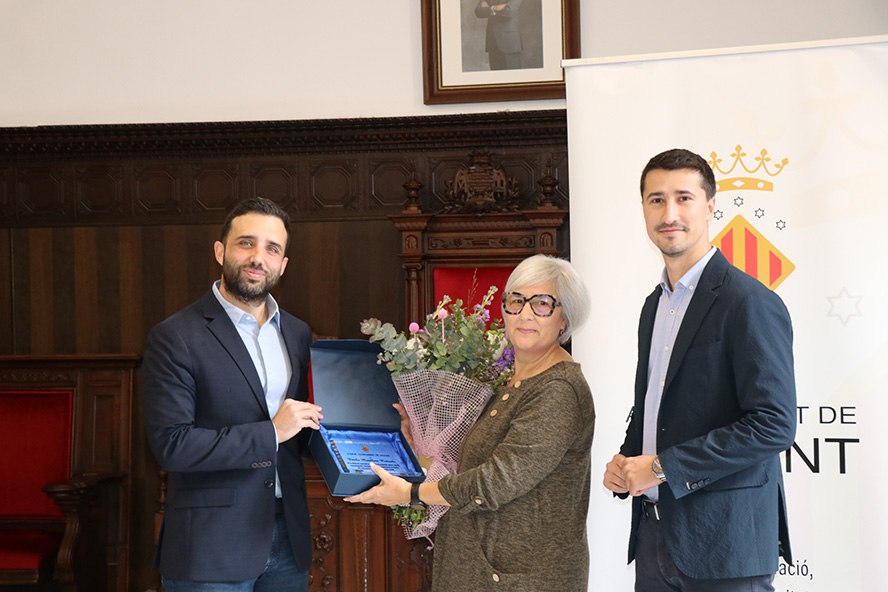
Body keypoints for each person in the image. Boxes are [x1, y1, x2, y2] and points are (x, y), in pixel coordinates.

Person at [603, 148, 797, 591]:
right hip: (656, 534)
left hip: (726, 543)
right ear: (644, 210)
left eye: (683, 198)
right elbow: (660, 405)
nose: (669, 213)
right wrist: (627, 460)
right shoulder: (654, 305)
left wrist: (663, 467)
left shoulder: (748, 301)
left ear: (710, 206)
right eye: (656, 200)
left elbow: (775, 424)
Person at [345, 254, 594, 591]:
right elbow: (469, 467)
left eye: (542, 304)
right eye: (516, 301)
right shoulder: (510, 383)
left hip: (520, 580)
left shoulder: (558, 390)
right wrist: (416, 443)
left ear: (565, 318)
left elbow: (494, 483)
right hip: (476, 572)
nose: (525, 314)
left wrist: (412, 493)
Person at [143, 197, 323, 592]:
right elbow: (173, 445)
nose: (259, 257)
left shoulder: (297, 333)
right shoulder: (175, 337)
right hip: (209, 546)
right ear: (220, 251)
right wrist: (271, 433)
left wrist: (371, 434)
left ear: (283, 264)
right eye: (246, 243)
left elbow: (303, 431)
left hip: (288, 537)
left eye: (272, 249)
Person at [475, 0, 523, 70]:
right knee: (495, 78)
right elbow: (478, 11)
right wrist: (494, 8)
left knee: (512, 78)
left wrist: (488, 9)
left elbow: (508, 12)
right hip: (492, 41)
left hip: (510, 43)